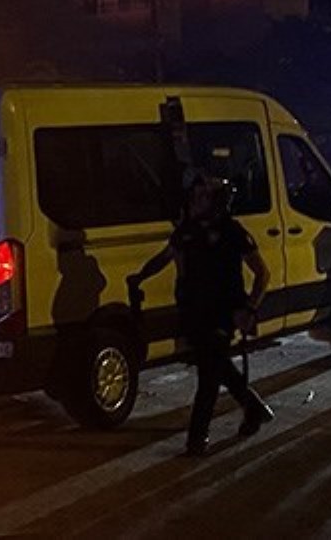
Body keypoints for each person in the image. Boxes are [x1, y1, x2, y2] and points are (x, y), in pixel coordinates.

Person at [128, 177, 274, 456]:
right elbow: (166, 256)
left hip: (223, 313)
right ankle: (254, 409)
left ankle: (197, 438)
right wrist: (140, 277)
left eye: (202, 197)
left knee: (208, 376)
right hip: (194, 311)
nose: (195, 202)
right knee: (219, 366)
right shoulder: (187, 230)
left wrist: (250, 308)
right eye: (195, 196)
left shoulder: (233, 232)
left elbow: (262, 274)